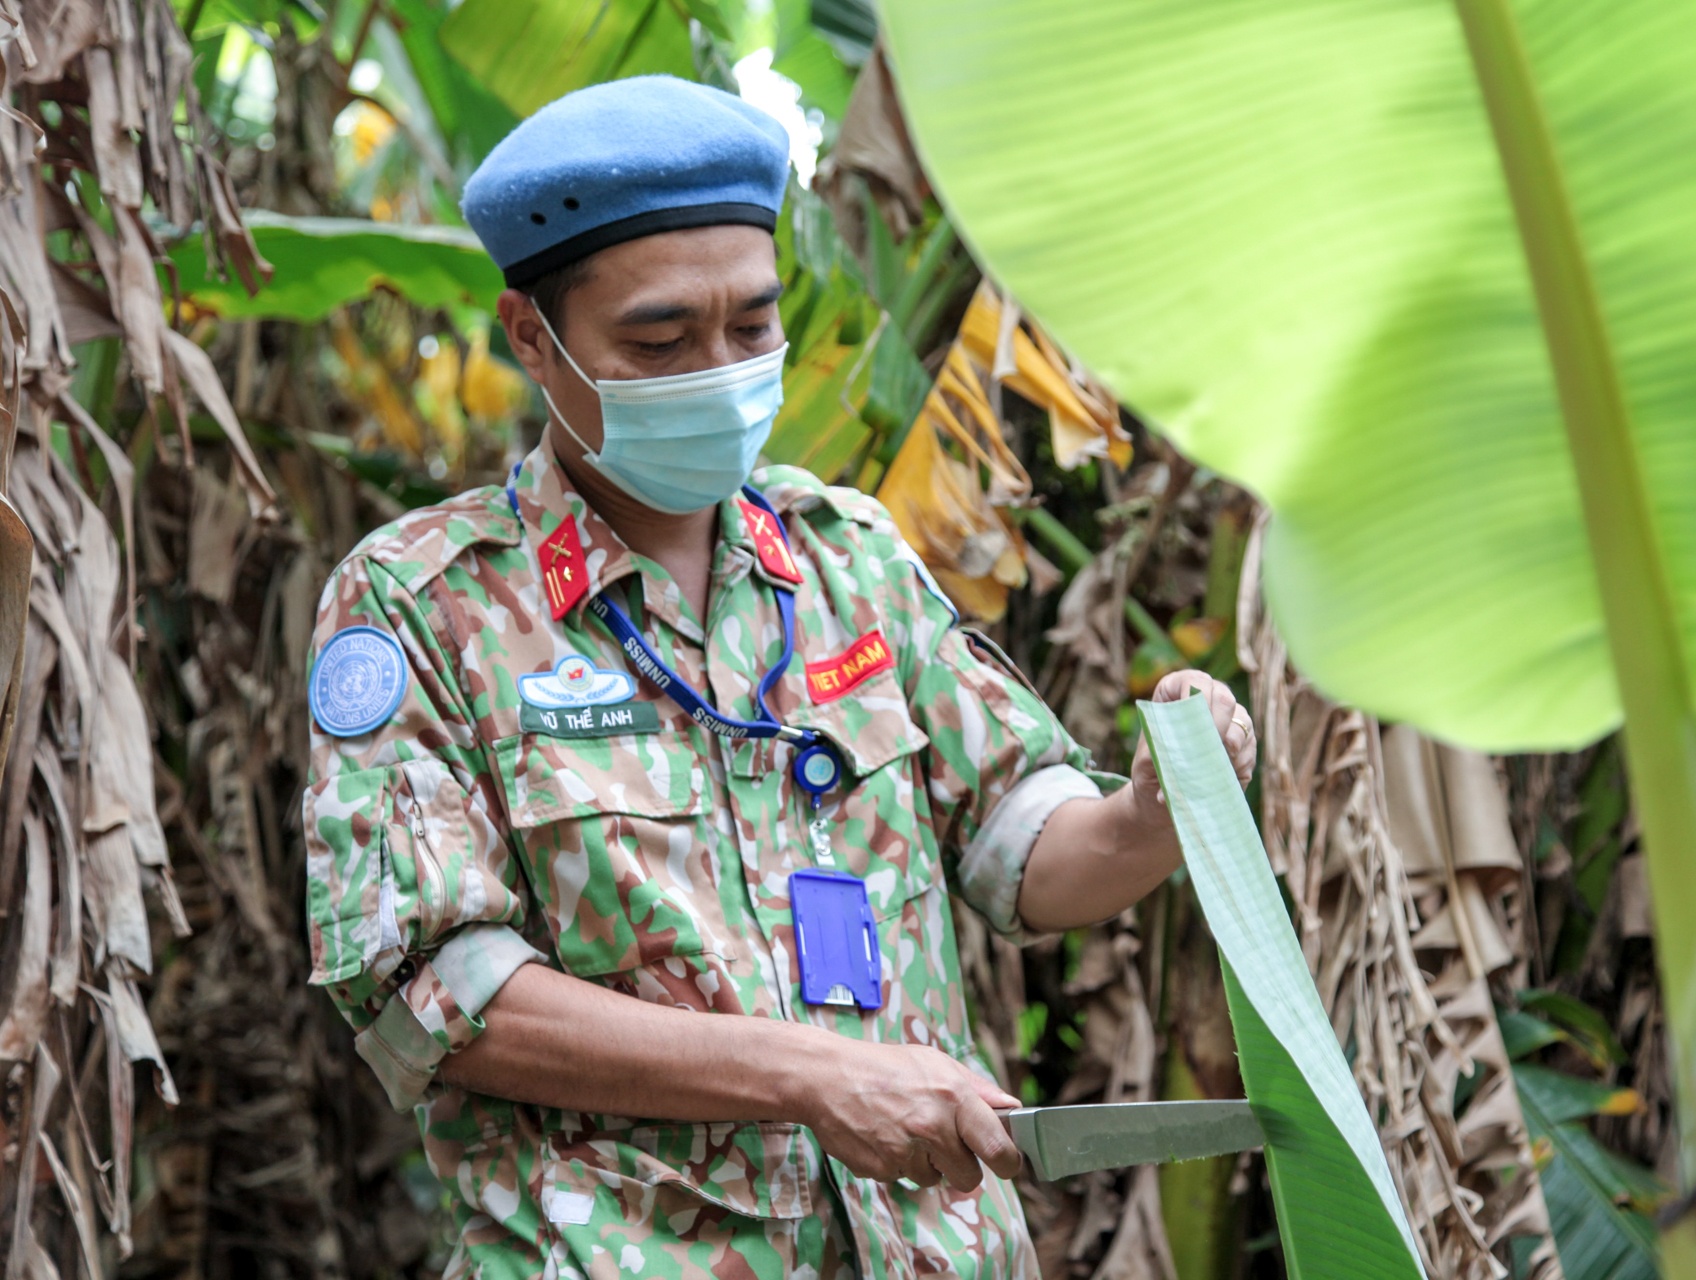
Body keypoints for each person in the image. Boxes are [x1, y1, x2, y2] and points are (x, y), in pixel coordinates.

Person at [302, 74, 1257, 1279]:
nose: (719, 368)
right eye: (660, 339)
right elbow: (436, 993)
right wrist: (811, 1075)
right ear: (533, 339)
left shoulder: (846, 555)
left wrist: (1156, 812)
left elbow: (1026, 849)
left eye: (752, 328)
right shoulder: (421, 601)